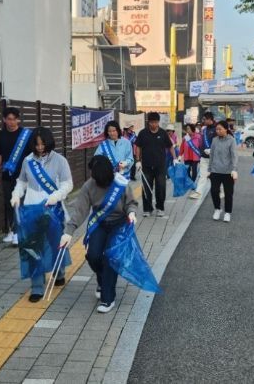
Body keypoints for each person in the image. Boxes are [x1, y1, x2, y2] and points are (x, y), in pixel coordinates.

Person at [61, 155, 138, 313]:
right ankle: (103, 280)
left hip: (119, 224)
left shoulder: (120, 183)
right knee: (93, 256)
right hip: (100, 224)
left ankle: (107, 298)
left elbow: (131, 202)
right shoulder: (89, 186)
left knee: (110, 258)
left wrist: (131, 213)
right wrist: (69, 232)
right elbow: (80, 210)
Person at [11, 127, 73, 302]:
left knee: (55, 243)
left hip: (52, 208)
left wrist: (57, 195)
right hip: (31, 208)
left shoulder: (60, 160)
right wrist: (16, 194)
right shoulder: (27, 160)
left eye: (43, 144)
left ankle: (59, 271)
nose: (39, 148)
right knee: (33, 246)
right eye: (37, 144)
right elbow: (22, 181)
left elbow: (68, 184)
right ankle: (37, 286)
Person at [0, 107, 33, 246]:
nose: (12, 122)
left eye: (14, 119)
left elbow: (32, 156)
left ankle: (18, 232)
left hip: (23, 176)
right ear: (4, 120)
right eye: (9, 119)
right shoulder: (0, 136)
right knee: (9, 203)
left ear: (18, 120)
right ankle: (11, 230)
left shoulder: (26, 135)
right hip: (7, 175)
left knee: (19, 203)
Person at [134, 112, 177, 217]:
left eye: (156, 122)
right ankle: (147, 209)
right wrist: (138, 160)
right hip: (146, 166)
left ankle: (160, 208)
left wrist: (175, 158)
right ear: (148, 122)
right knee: (146, 188)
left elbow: (170, 146)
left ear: (158, 122)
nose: (154, 124)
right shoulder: (143, 133)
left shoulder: (163, 133)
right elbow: (138, 146)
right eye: (152, 122)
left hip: (160, 166)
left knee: (161, 187)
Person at [207, 120, 238, 222]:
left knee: (228, 193)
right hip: (215, 171)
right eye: (217, 129)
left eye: (220, 129)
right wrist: (209, 169)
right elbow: (212, 155)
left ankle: (227, 212)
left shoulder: (231, 140)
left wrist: (234, 169)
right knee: (214, 191)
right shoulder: (214, 140)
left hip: (228, 172)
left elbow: (234, 156)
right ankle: (217, 209)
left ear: (226, 129)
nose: (218, 131)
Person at [191, 112, 216, 199]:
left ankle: (221, 190)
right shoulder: (204, 129)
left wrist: (212, 150)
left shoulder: (217, 129)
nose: (203, 121)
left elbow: (219, 143)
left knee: (217, 176)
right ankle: (198, 192)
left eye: (204, 119)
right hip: (204, 157)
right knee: (202, 175)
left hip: (214, 158)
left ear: (209, 119)